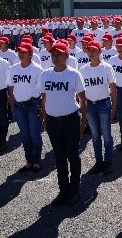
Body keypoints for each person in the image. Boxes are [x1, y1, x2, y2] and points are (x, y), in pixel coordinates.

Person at [40, 42, 87, 206]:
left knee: (73, 156)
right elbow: (44, 98)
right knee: (59, 157)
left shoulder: (74, 74)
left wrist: (84, 120)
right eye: (53, 54)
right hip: (53, 120)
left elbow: (82, 98)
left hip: (70, 120)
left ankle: (74, 190)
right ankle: (63, 190)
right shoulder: (45, 74)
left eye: (59, 54)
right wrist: (45, 118)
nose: (55, 57)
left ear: (66, 56)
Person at [80, 40, 117, 175]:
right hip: (90, 105)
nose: (91, 52)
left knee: (106, 135)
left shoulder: (106, 67)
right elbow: (81, 91)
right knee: (95, 136)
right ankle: (98, 161)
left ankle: (108, 162)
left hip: (103, 104)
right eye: (89, 50)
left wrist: (114, 106)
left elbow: (112, 88)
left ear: (100, 51)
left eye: (94, 50)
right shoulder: (83, 69)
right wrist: (82, 106)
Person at [7, 43, 45, 173]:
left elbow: (43, 91)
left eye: (23, 52)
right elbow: (11, 87)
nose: (20, 54)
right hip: (19, 105)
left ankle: (37, 161)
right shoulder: (13, 69)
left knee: (35, 134)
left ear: (30, 54)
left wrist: (42, 107)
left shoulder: (37, 69)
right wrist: (12, 104)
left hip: (33, 105)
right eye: (19, 52)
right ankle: (29, 161)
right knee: (24, 135)